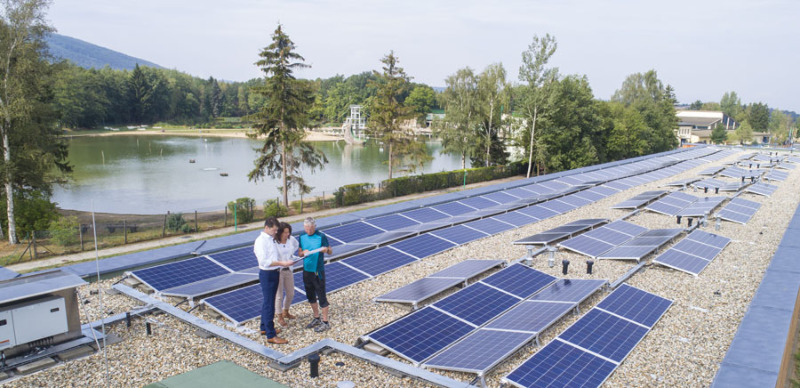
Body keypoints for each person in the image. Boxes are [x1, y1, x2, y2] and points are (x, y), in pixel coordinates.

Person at [255, 217, 294, 344]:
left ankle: (264, 328)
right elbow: (264, 262)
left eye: (277, 230)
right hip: (268, 274)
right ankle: (271, 335)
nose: (276, 232)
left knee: (268, 301)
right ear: (266, 227)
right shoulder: (261, 241)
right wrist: (282, 263)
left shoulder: (270, 239)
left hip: (275, 272)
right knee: (269, 304)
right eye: (274, 230)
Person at [299, 217, 333, 332]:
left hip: (318, 270)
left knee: (321, 295)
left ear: (315, 226)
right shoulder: (302, 236)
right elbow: (299, 253)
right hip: (306, 270)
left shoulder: (321, 236)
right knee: (310, 295)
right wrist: (303, 252)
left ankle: (325, 322)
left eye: (310, 228)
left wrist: (326, 250)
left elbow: (330, 251)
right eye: (306, 228)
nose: (308, 230)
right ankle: (316, 317)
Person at [274, 222, 301, 327]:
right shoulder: (275, 243)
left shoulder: (291, 240)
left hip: (289, 269)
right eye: (285, 232)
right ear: (280, 232)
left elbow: (296, 246)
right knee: (279, 296)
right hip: (279, 270)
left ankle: (286, 311)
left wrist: (292, 257)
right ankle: (279, 316)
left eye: (288, 232)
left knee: (291, 293)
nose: (287, 234)